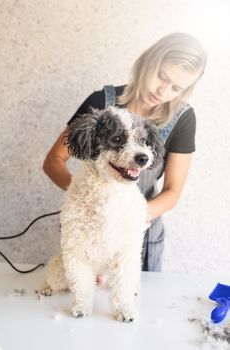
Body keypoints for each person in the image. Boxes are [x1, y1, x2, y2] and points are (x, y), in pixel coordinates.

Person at [43, 32, 207, 272]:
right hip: (89, 229)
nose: (163, 91)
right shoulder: (102, 100)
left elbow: (173, 191)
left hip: (138, 230)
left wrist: (131, 217)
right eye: (162, 76)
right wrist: (86, 201)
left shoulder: (183, 118)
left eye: (176, 88)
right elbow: (54, 160)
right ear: (148, 62)